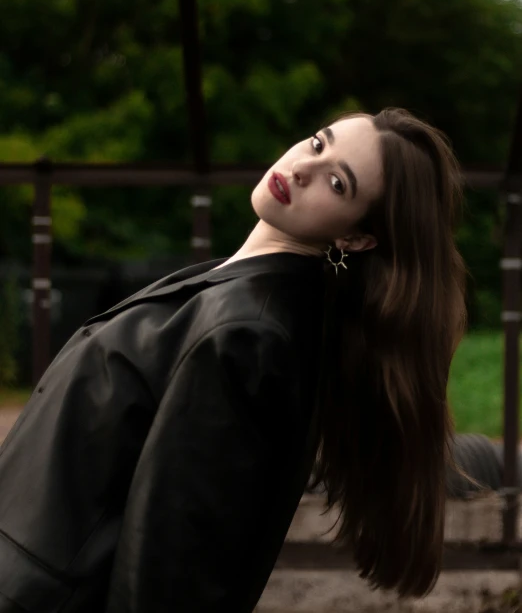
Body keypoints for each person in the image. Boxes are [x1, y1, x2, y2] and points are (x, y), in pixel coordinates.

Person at [0, 107, 466, 612]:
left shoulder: (249, 334)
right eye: (317, 143)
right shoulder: (246, 293)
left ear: (354, 239)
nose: (303, 169)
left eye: (336, 182)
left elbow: (172, 572)